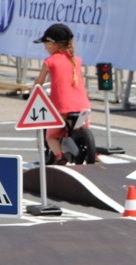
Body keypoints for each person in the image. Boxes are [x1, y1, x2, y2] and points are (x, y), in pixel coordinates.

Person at [32, 23, 91, 165]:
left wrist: (33, 92)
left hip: (61, 105)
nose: (45, 47)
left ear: (53, 44)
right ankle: (92, 152)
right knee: (82, 128)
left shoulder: (49, 61)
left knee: (51, 136)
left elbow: (39, 82)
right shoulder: (76, 60)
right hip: (83, 104)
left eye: (45, 43)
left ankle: (59, 155)